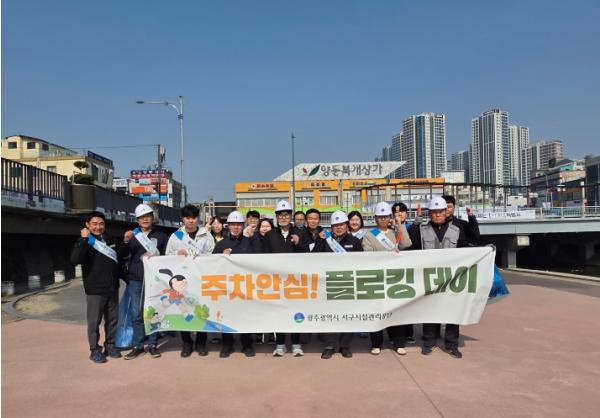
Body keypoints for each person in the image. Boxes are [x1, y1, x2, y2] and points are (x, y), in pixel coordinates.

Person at [409, 196, 469, 359]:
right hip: (430, 278)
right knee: (429, 311)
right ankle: (429, 343)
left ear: (445, 212)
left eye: (440, 211)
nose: (437, 215)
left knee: (452, 313)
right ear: (429, 213)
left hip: (452, 278)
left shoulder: (457, 229)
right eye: (434, 212)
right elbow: (412, 248)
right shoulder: (422, 230)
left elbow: (465, 250)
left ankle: (452, 345)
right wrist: (414, 225)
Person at [117, 204, 169, 360]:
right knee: (136, 314)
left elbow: (167, 257)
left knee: (153, 312)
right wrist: (125, 241)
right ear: (137, 220)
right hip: (137, 279)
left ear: (153, 218)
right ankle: (138, 345)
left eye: (148, 216)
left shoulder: (162, 236)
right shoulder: (132, 235)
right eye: (141, 217)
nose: (145, 219)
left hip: (155, 280)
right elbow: (121, 255)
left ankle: (153, 344)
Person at [71, 211, 121, 363]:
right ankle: (94, 350)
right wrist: (83, 239)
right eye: (94, 224)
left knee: (112, 320)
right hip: (95, 289)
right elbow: (75, 259)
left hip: (112, 288)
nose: (98, 227)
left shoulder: (111, 239)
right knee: (94, 322)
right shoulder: (85, 241)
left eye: (101, 224)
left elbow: (118, 262)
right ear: (87, 225)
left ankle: (110, 345)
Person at [166, 204, 215, 357]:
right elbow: (167, 256)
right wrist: (177, 254)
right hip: (183, 281)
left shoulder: (206, 235)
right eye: (188, 218)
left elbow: (213, 254)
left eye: (194, 217)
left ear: (197, 218)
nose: (191, 221)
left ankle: (201, 343)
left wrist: (203, 258)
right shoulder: (176, 236)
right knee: (184, 311)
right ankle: (186, 343)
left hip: (201, 279)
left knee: (201, 310)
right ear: (183, 219)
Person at [363, 202, 412, 356]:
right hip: (377, 278)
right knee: (376, 312)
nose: (383, 219)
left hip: (394, 278)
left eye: (385, 216)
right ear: (375, 218)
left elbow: (406, 244)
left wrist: (400, 224)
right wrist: (388, 255)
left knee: (395, 313)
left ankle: (399, 343)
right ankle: (376, 343)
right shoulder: (369, 235)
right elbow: (368, 255)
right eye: (380, 217)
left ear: (389, 217)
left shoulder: (395, 232)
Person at [213, 210, 257, 358]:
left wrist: (253, 237)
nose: (236, 227)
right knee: (227, 316)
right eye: (233, 224)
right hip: (227, 287)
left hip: (246, 285)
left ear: (243, 225)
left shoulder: (249, 242)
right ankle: (227, 345)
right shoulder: (221, 244)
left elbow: (260, 258)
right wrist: (221, 257)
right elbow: (211, 264)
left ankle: (247, 344)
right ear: (228, 226)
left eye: (239, 224)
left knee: (246, 316)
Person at [263, 200, 305, 357]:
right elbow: (264, 256)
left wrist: (299, 243)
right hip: (276, 281)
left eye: (286, 214)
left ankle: (296, 344)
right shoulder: (270, 235)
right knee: (278, 311)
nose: (283, 217)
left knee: (296, 311)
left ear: (291, 216)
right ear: (276, 217)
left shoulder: (301, 233)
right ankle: (280, 344)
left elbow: (310, 256)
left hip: (295, 281)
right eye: (280, 215)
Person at [320, 210, 363, 359]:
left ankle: (345, 345)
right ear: (331, 227)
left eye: (341, 224)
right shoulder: (324, 241)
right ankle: (330, 345)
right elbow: (313, 259)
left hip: (348, 283)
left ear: (346, 225)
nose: (338, 227)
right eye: (335, 225)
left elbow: (362, 262)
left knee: (348, 315)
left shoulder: (354, 241)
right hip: (328, 284)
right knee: (329, 315)